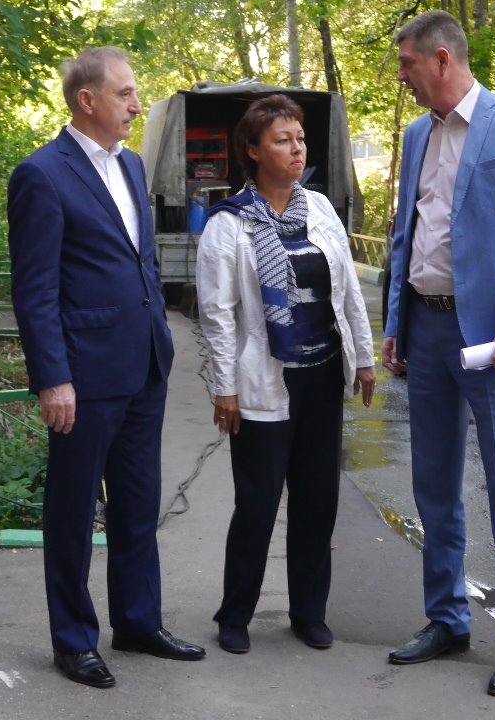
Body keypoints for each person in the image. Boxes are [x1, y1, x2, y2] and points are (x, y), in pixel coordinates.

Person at [7, 46, 205, 690]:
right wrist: (53, 377)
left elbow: (141, 260)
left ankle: (139, 622)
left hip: (143, 365)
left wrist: (160, 335)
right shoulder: (42, 174)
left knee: (138, 505)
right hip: (83, 377)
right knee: (71, 513)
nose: (137, 105)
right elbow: (35, 290)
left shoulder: (132, 164)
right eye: (125, 94)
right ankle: (73, 640)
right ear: (86, 100)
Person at [381, 11, 495, 696]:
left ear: (441, 59)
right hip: (427, 330)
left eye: (407, 64)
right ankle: (447, 618)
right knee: (433, 486)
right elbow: (406, 234)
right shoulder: (416, 134)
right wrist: (395, 321)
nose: (402, 77)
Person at [195, 94, 376, 656]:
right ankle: (235, 615)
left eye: (299, 139)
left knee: (318, 500)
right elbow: (217, 315)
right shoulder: (229, 224)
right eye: (282, 140)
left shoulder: (318, 209)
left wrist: (363, 357)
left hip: (320, 377)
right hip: (263, 382)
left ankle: (308, 612)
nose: (297, 149)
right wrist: (224, 387)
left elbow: (347, 290)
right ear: (252, 150)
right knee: (257, 503)